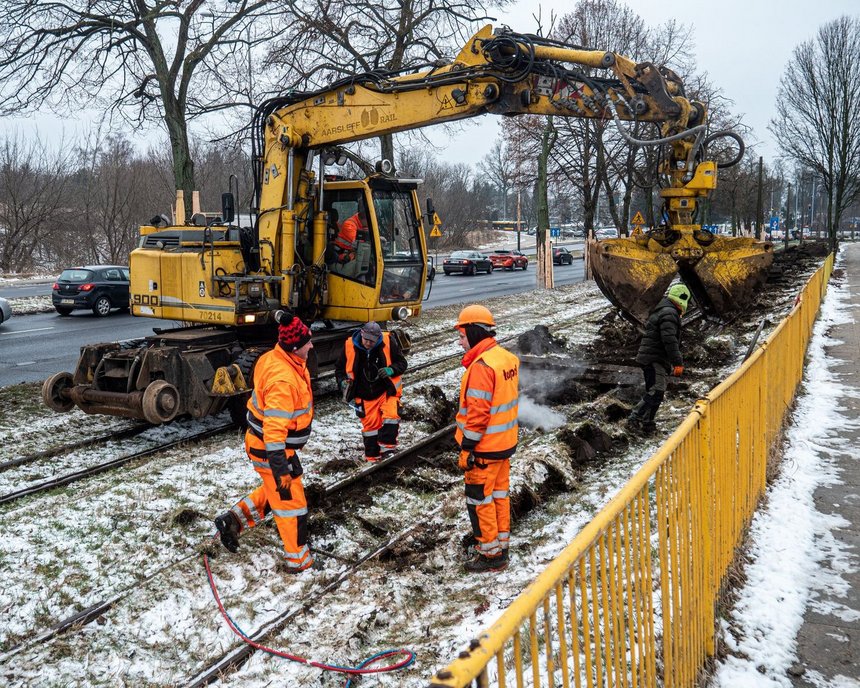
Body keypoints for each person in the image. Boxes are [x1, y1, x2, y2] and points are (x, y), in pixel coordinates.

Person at [214, 310, 315, 573]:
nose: (312, 345)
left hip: (268, 447)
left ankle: (233, 520)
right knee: (293, 506)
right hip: (272, 450)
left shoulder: (273, 358)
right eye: (307, 342)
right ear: (294, 348)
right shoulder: (283, 380)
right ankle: (299, 562)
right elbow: (273, 431)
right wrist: (281, 469)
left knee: (276, 492)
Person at [454, 304, 519, 573]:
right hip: (504, 445)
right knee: (500, 497)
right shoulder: (505, 358)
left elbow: (478, 416)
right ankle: (501, 545)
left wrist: (467, 448)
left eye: (461, 334)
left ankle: (490, 554)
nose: (458, 341)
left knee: (479, 500)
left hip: (483, 450)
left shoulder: (481, 367)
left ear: (474, 332)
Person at [335, 321, 407, 462]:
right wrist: (342, 382)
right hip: (364, 396)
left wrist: (390, 370)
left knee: (391, 416)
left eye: (372, 341)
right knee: (370, 429)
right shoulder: (349, 346)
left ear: (378, 338)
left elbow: (402, 363)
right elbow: (339, 370)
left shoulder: (388, 341)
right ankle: (373, 460)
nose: (368, 343)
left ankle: (389, 454)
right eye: (366, 340)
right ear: (361, 334)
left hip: (386, 392)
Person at [626, 283, 691, 435]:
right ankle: (634, 420)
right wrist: (678, 362)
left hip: (651, 357)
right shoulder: (669, 313)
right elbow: (669, 340)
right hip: (655, 359)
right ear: (682, 299)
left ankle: (648, 424)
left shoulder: (664, 310)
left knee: (654, 391)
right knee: (656, 391)